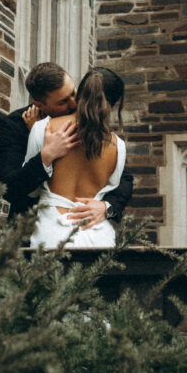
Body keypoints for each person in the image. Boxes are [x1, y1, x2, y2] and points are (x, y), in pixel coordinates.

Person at [0, 62, 132, 229]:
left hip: (86, 227)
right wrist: (43, 153)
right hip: (30, 230)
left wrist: (106, 207)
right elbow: (9, 189)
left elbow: (124, 179)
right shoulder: (15, 125)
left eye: (74, 93)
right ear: (39, 105)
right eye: (63, 102)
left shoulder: (89, 121)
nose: (75, 104)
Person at [23, 67, 127, 248]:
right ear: (112, 104)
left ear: (80, 92)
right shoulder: (118, 146)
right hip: (98, 236)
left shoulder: (43, 128)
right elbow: (115, 187)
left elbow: (30, 191)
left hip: (51, 234)